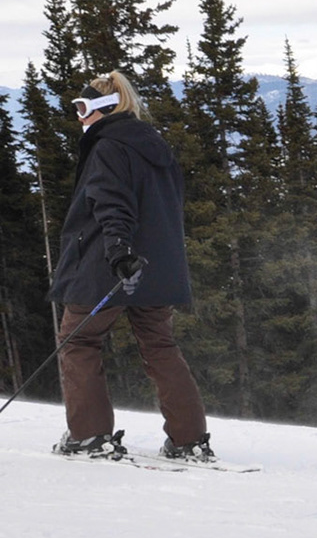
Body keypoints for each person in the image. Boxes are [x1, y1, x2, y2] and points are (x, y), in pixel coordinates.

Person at [49, 70, 213, 463]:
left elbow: (112, 203)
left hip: (110, 262)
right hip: (156, 266)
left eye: (82, 107)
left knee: (79, 341)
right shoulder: (154, 146)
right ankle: (189, 440)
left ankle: (89, 436)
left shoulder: (108, 147)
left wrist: (119, 252)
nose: (79, 117)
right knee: (159, 345)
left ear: (105, 109)